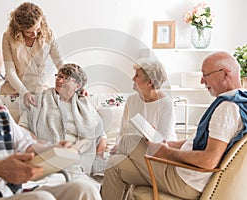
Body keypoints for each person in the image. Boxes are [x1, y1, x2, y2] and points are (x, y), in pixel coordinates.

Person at [0, 36, 101, 200]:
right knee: (42, 199)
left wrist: (54, 150)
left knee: (84, 189)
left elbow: (26, 144)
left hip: (12, 191)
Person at [101, 51, 247, 200]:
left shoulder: (227, 108)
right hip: (188, 176)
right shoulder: (240, 101)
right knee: (114, 165)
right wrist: (170, 144)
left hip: (185, 181)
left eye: (205, 75)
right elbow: (201, 142)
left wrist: (166, 153)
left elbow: (208, 161)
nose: (202, 81)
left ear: (225, 73)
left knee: (129, 140)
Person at [19, 63, 107, 176]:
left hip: (77, 157)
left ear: (77, 85)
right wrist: (39, 145)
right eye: (59, 76)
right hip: (50, 152)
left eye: (66, 79)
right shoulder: (40, 100)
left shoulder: (85, 107)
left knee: (73, 169)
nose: (60, 81)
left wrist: (98, 160)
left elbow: (102, 136)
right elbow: (22, 127)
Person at [0, 2, 64, 119]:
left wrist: (77, 83)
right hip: (13, 91)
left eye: (37, 29)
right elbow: (10, 72)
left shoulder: (48, 35)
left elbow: (61, 64)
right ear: (19, 29)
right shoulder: (8, 37)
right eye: (28, 32)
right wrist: (24, 93)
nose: (34, 34)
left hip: (38, 90)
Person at [110, 58, 177, 155]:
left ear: (149, 82)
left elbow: (161, 141)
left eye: (137, 76)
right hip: (130, 150)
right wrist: (119, 146)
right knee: (113, 162)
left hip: (157, 154)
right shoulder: (131, 100)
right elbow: (122, 131)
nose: (133, 79)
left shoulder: (166, 104)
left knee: (114, 163)